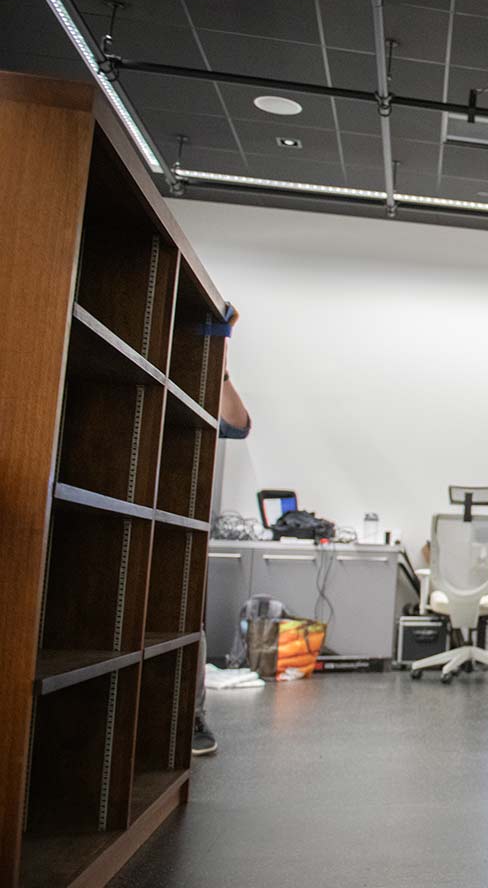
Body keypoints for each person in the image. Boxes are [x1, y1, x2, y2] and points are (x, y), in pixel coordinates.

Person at [194, 306, 252, 756]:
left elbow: (237, 425)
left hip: (184, 531)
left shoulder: (203, 387)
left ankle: (192, 716)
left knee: (187, 625)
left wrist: (222, 368)